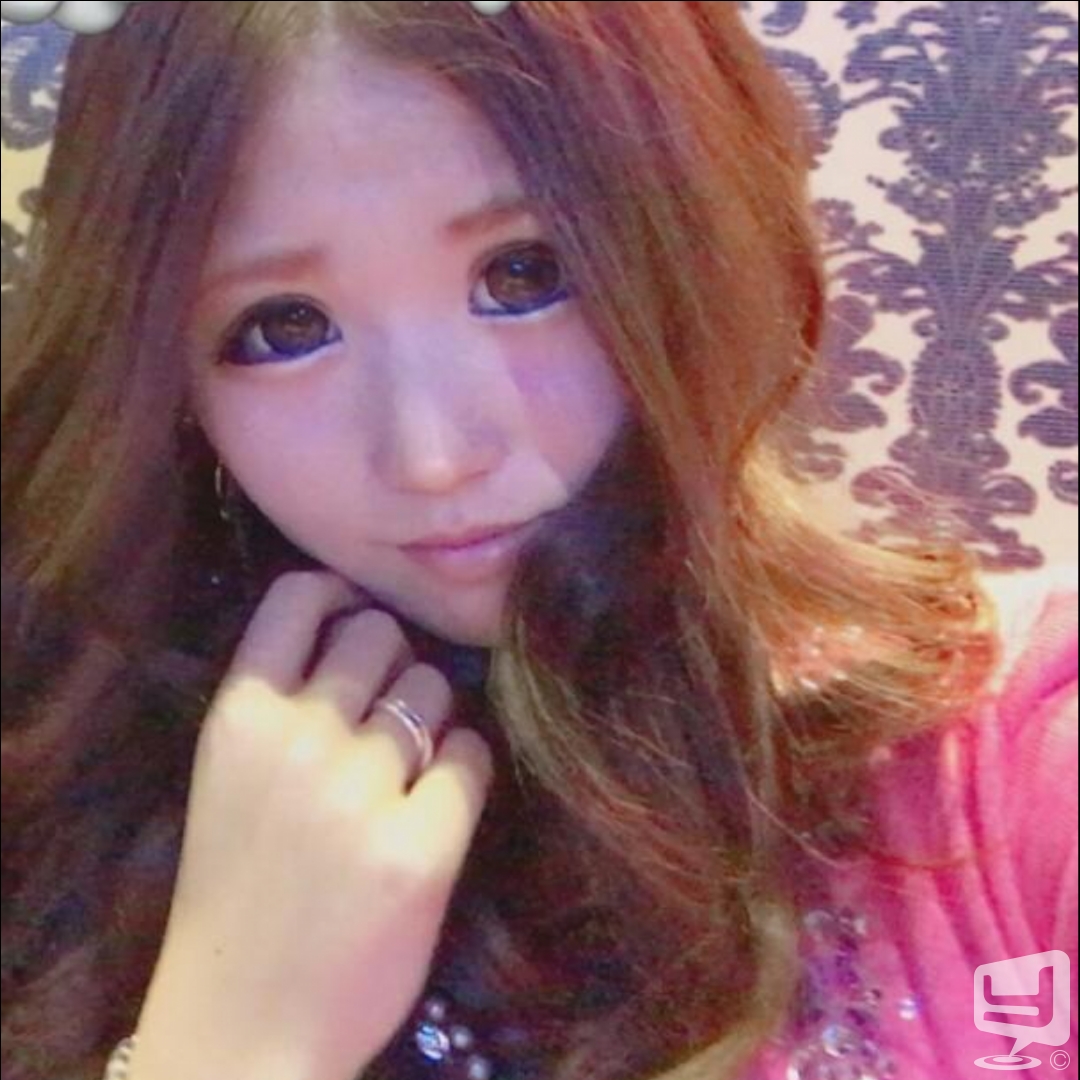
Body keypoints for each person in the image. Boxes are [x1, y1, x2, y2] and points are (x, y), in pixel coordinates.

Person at [1, 3, 1075, 1080]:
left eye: (526, 274)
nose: (432, 456)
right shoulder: (64, 802)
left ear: (709, 241)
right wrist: (231, 1034)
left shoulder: (1013, 759)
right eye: (285, 327)